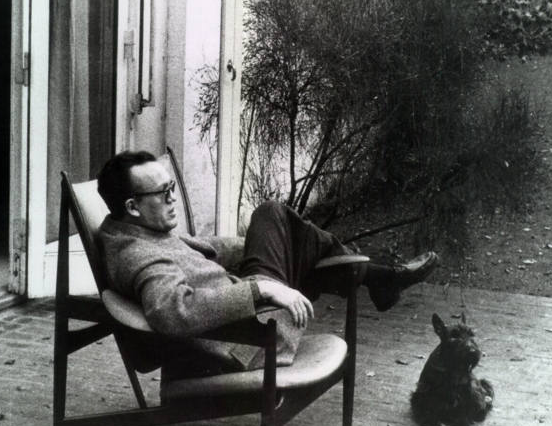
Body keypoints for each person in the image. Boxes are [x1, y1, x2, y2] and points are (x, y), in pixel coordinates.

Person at [97, 150, 438, 380]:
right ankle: (378, 279)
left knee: (278, 224)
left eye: (172, 187)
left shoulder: (134, 230)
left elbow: (203, 252)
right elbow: (174, 312)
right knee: (272, 213)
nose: (172, 198)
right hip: (253, 337)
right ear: (133, 206)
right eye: (163, 192)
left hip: (246, 323)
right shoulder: (138, 255)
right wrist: (261, 288)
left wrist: (262, 245)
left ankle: (377, 278)